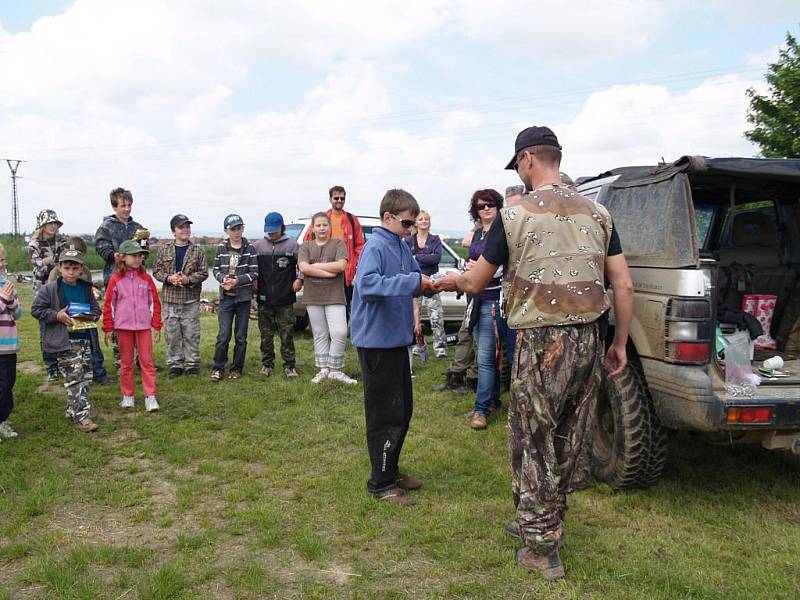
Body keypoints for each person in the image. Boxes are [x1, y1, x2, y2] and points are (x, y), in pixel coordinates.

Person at [435, 126, 633, 579]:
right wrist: (619, 342)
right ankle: (540, 520)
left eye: (518, 166)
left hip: (542, 341)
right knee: (568, 433)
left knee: (532, 436)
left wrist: (443, 281)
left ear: (527, 159)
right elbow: (622, 282)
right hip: (590, 336)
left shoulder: (514, 215)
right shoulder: (598, 212)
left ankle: (541, 547)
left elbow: (475, 282)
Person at [351, 189, 436, 506]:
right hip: (377, 344)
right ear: (387, 218)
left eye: (413, 224)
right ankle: (381, 484)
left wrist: (430, 282)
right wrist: (414, 283)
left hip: (398, 342)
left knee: (402, 411)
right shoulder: (375, 246)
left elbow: (415, 277)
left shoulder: (400, 245)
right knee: (385, 415)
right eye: (406, 223)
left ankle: (391, 468)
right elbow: (367, 285)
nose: (411, 229)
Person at [31, 249, 102, 433]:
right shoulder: (49, 289)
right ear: (59, 268)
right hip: (64, 341)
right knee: (74, 379)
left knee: (85, 377)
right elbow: (37, 310)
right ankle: (83, 417)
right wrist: (57, 315)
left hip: (85, 338)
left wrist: (89, 316)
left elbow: (96, 310)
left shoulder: (86, 288)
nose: (71, 272)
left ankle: (73, 410)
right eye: (67, 267)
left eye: (75, 268)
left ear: (81, 269)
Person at [464, 189, 512, 431]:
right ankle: (488, 403)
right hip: (478, 299)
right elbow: (473, 261)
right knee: (486, 357)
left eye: (491, 204)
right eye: (481, 205)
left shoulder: (505, 230)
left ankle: (486, 407)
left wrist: (481, 269)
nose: (486, 208)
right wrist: (469, 266)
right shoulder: (477, 234)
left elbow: (507, 265)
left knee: (495, 358)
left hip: (499, 299)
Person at [102, 240, 162, 412]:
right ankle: (127, 395)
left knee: (147, 362)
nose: (138, 259)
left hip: (143, 327)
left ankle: (150, 396)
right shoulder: (115, 280)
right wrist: (108, 327)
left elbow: (154, 303)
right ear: (122, 257)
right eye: (134, 255)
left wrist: (156, 325)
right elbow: (109, 305)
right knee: (126, 363)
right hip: (123, 328)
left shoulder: (146, 279)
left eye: (140, 255)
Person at [298, 212, 355, 384]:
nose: (322, 228)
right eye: (318, 225)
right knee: (320, 333)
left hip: (334, 295)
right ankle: (323, 369)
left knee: (339, 331)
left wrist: (315, 266)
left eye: (325, 225)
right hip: (313, 295)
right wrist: (327, 274)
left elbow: (341, 265)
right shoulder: (305, 247)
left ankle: (335, 370)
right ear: (313, 228)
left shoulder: (338, 244)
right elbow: (304, 268)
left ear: (330, 227)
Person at [95, 188, 147, 371]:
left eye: (129, 205)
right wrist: (113, 255)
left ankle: (142, 359)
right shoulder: (106, 227)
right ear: (114, 206)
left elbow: (143, 250)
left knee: (139, 316)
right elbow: (100, 247)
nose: (126, 209)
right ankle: (122, 362)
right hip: (115, 277)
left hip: (138, 279)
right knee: (120, 320)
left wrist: (143, 250)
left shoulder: (137, 227)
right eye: (122, 205)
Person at [151, 214, 209, 378]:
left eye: (187, 226)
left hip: (190, 299)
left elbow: (204, 272)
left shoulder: (198, 250)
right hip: (170, 301)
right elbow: (156, 271)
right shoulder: (163, 250)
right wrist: (169, 278)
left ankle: (192, 364)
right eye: (181, 227)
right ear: (173, 231)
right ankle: (176, 364)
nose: (185, 230)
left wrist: (188, 279)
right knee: (173, 335)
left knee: (191, 334)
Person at [48, 236, 109, 385]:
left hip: (84, 316)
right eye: (68, 267)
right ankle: (58, 368)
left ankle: (98, 372)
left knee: (93, 342)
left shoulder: (86, 271)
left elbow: (88, 291)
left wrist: (92, 311)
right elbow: (51, 297)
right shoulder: (55, 274)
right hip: (65, 318)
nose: (72, 271)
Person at [253, 212, 302, 378]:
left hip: (285, 299)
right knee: (265, 335)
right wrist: (254, 279)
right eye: (269, 230)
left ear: (282, 227)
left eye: (275, 230)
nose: (272, 233)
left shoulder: (293, 246)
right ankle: (267, 364)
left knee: (286, 334)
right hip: (264, 298)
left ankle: (289, 365)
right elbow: (252, 268)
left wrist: (300, 280)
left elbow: (303, 265)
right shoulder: (258, 246)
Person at [303, 185, 365, 317]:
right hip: (323, 268)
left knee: (344, 305)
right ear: (330, 199)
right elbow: (307, 240)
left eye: (342, 198)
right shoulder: (322, 219)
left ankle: (341, 334)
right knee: (324, 304)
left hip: (345, 271)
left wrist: (354, 265)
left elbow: (360, 245)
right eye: (336, 198)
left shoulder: (352, 220)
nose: (339, 200)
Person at [210, 214, 258, 382]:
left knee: (241, 336)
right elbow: (215, 269)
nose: (237, 231)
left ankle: (236, 368)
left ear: (243, 228)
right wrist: (223, 279)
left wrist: (237, 281)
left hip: (243, 298)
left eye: (239, 228)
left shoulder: (250, 248)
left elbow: (254, 272)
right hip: (226, 298)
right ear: (226, 230)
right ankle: (218, 367)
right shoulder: (220, 248)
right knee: (223, 335)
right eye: (233, 229)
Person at [28, 209, 67, 381]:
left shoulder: (62, 242)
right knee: (46, 327)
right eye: (50, 223)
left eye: (55, 223)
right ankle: (51, 366)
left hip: (61, 288)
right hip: (43, 291)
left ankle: (65, 362)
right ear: (42, 225)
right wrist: (52, 262)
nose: (53, 226)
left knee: (64, 324)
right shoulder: (34, 245)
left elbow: (68, 263)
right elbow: (39, 271)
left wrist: (51, 263)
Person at [405, 210, 448, 359]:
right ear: (416, 222)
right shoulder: (409, 241)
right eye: (421, 219)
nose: (424, 221)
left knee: (436, 318)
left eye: (426, 219)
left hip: (431, 284)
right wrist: (424, 258)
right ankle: (417, 345)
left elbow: (435, 259)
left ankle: (440, 347)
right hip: (415, 283)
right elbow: (407, 261)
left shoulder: (435, 240)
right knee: (415, 318)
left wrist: (416, 257)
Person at [0, 243, 23, 441]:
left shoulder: (6, 284)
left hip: (9, 346)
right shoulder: (3, 290)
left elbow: (19, 313)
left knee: (9, 384)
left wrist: (11, 301)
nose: (2, 264)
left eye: (2, 259)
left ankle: (3, 419)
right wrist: (3, 299)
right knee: (1, 384)